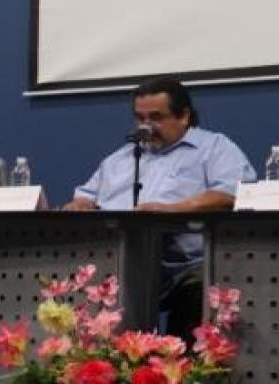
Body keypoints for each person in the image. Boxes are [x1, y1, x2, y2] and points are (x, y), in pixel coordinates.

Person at [63, 77, 255, 337]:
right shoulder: (120, 158)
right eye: (139, 118)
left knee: (197, 291)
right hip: (121, 264)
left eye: (156, 117)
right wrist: (80, 205)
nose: (146, 127)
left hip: (187, 268)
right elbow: (85, 196)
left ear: (184, 116)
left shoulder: (214, 148)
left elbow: (232, 193)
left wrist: (176, 208)